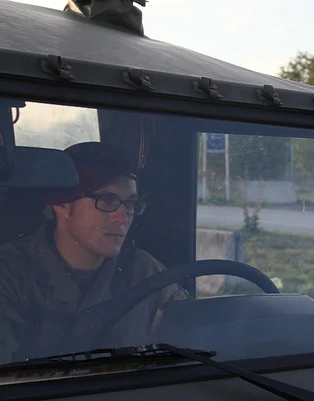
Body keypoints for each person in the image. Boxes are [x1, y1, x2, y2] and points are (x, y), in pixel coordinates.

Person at [0, 141, 190, 364]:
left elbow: (197, 338)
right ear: (61, 203)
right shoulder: (11, 273)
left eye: (130, 204)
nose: (122, 217)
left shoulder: (145, 272)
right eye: (107, 200)